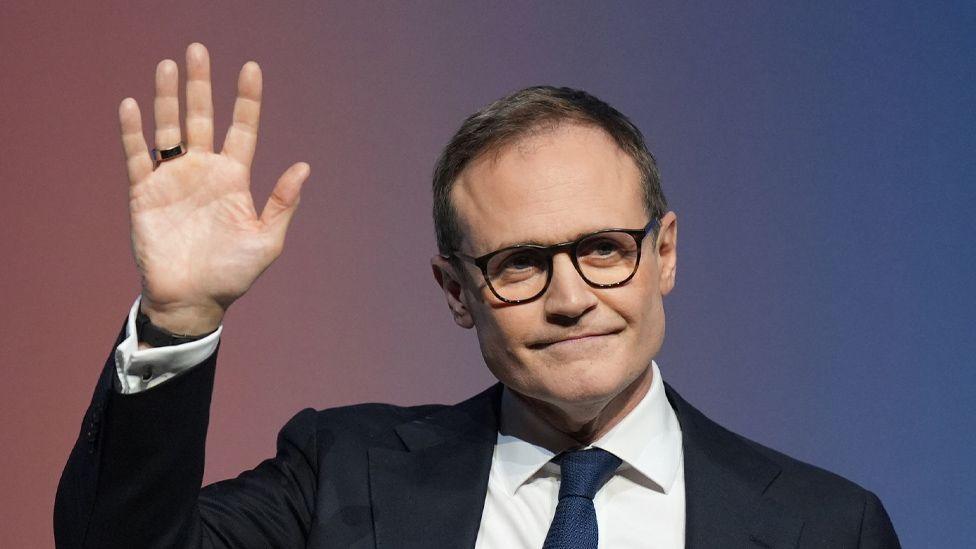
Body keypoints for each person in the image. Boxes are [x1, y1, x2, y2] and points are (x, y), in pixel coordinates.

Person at [54, 43, 901, 548]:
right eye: (521, 263)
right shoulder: (340, 476)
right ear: (456, 291)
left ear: (664, 253)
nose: (570, 297)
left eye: (605, 248)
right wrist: (180, 319)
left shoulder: (825, 525)